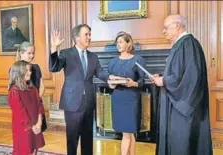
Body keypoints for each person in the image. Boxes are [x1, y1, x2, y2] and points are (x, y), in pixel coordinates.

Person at [49, 24, 117, 155]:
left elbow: (100, 72)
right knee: (72, 139)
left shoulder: (93, 56)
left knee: (87, 138)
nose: (89, 37)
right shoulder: (66, 53)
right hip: (72, 102)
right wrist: (53, 49)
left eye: (90, 34)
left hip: (89, 102)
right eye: (86, 34)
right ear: (77, 37)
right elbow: (54, 68)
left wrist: (110, 78)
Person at [151, 14, 213, 155]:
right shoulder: (181, 45)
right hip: (176, 104)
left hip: (183, 108)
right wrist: (162, 77)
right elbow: (178, 73)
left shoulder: (188, 44)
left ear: (177, 26)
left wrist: (164, 81)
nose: (163, 31)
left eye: (166, 27)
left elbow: (191, 78)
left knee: (181, 143)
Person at [108, 31, 145, 155]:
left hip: (131, 98)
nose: (118, 44)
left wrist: (133, 83)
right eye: (117, 42)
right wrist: (111, 84)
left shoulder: (138, 60)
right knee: (128, 132)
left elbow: (142, 81)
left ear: (128, 43)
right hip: (117, 98)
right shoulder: (113, 61)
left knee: (128, 132)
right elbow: (109, 80)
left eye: (120, 42)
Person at [8, 60, 45, 155]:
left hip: (36, 124)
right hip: (23, 127)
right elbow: (20, 113)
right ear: (18, 72)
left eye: (30, 70)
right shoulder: (14, 91)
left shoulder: (33, 89)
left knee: (34, 148)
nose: (30, 72)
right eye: (27, 70)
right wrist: (32, 126)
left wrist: (39, 123)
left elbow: (39, 106)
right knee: (23, 150)